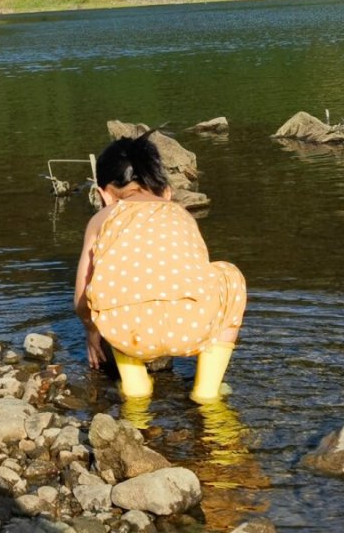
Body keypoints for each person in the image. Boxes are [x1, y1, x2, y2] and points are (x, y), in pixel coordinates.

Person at [73, 133, 246, 404]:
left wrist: (92, 333)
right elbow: (195, 279)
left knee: (112, 283)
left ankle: (135, 385)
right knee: (229, 275)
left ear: (103, 194)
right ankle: (207, 390)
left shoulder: (101, 219)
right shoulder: (182, 214)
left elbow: (81, 299)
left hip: (128, 333)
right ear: (167, 191)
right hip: (193, 328)